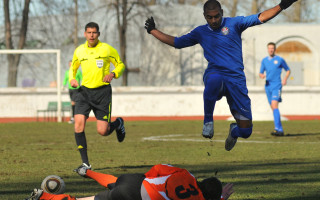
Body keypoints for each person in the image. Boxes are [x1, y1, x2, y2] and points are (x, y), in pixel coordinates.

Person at [144, 0, 297, 151]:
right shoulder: (200, 32)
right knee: (214, 79)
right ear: (204, 16)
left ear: (222, 13)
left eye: (216, 16)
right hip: (215, 73)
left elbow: (260, 17)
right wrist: (153, 31)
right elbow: (177, 42)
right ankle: (208, 121)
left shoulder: (235, 23)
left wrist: (281, 6)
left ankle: (234, 131)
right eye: (209, 17)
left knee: (246, 131)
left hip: (236, 81)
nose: (213, 20)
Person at [70, 22, 126, 170]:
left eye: (94, 32)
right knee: (78, 124)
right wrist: (72, 79)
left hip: (102, 93)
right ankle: (85, 163)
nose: (91, 35)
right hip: (84, 92)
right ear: (85, 34)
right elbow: (73, 68)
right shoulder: (79, 51)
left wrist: (113, 74)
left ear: (98, 34)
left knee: (103, 131)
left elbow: (120, 65)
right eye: (89, 32)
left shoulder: (107, 49)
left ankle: (118, 123)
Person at [25, 164, 234, 200]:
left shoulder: (186, 174)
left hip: (137, 182)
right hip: (134, 196)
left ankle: (87, 172)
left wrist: (146, 180)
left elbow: (157, 169)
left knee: (116, 182)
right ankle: (46, 196)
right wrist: (223, 196)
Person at [259, 42, 291, 136]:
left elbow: (288, 70)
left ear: (275, 49)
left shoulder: (280, 59)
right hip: (267, 86)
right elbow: (260, 73)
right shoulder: (264, 60)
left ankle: (278, 129)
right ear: (267, 49)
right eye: (269, 48)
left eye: (272, 48)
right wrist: (262, 75)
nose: (271, 50)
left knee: (274, 105)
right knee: (273, 108)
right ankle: (279, 129)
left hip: (277, 85)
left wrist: (284, 79)